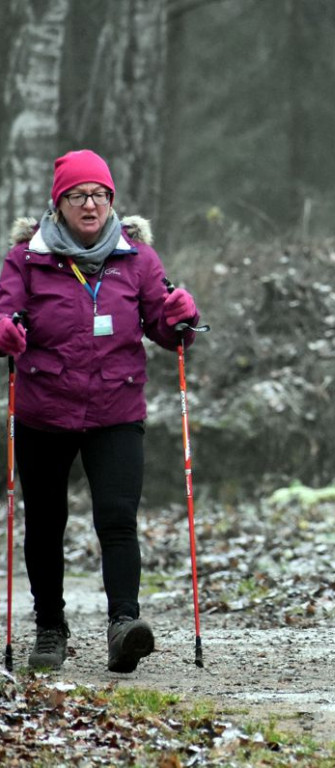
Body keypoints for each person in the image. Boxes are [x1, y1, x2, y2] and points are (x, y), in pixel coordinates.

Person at [0, 149, 201, 673]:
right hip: (45, 410)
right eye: (77, 195)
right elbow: (5, 317)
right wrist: (6, 332)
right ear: (58, 202)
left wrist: (182, 317)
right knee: (45, 523)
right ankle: (49, 628)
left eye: (100, 195)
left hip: (116, 407)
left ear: (112, 200)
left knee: (117, 519)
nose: (90, 204)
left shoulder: (137, 257)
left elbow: (166, 326)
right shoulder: (26, 259)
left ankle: (123, 627)